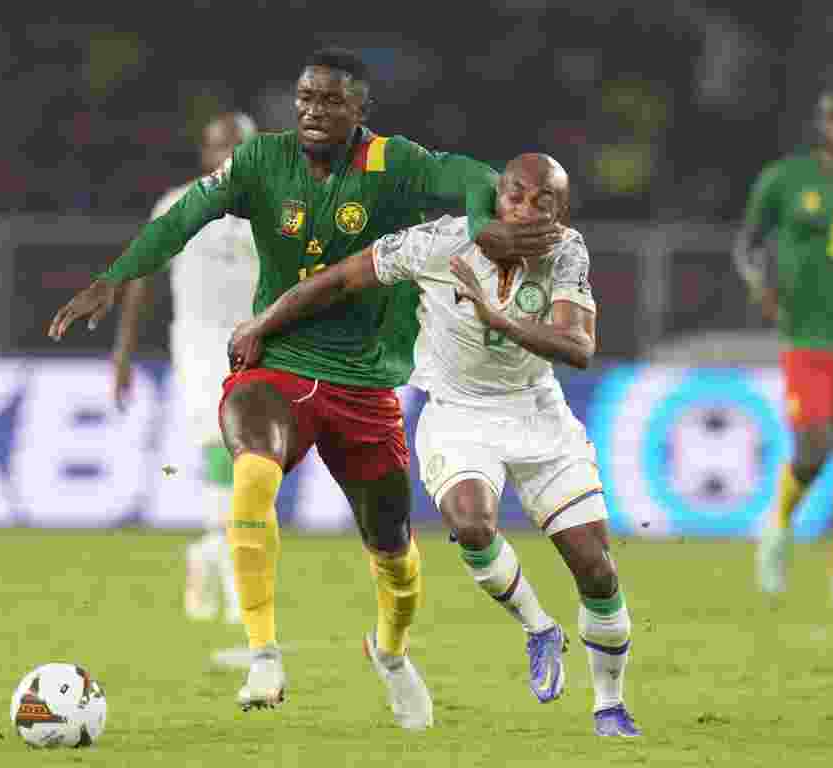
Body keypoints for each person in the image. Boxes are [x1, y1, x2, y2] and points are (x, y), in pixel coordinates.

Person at [47, 46, 558, 728]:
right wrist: (113, 278)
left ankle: (392, 654)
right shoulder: (262, 161)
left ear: (360, 111)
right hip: (277, 358)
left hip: (363, 380)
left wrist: (482, 225)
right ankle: (263, 653)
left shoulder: (390, 162)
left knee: (396, 558)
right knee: (250, 473)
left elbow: (472, 175)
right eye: (306, 99)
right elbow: (180, 219)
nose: (315, 111)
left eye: (332, 101)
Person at [228, 154, 641, 737]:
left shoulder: (567, 252)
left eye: (542, 201)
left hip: (537, 413)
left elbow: (578, 346)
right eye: (515, 196)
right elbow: (342, 278)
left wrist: (497, 319)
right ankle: (539, 628)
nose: (525, 209)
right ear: (495, 199)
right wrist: (262, 322)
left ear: (560, 212)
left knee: (596, 570)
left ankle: (609, 704)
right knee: (471, 524)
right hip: (458, 414)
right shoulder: (439, 244)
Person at [734, 88, 833, 615]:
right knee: (813, 449)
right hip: (806, 334)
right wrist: (762, 287)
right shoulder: (785, 179)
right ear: (821, 124)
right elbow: (749, 244)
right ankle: (777, 530)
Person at [113, 113, 257, 643]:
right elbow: (141, 277)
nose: (228, 156)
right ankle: (236, 577)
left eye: (238, 147)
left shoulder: (274, 210)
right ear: (205, 152)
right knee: (222, 444)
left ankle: (209, 551)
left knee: (253, 462)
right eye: (219, 146)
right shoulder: (176, 205)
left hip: (254, 345)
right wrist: (124, 353)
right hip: (197, 345)